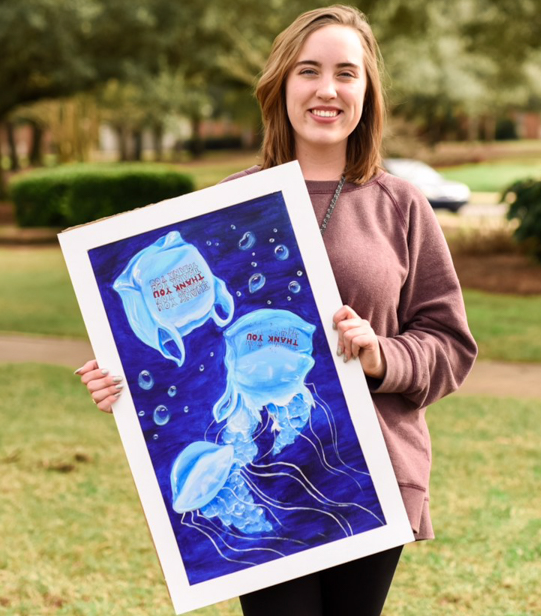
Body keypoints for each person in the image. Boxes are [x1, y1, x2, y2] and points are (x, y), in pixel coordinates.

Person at [75, 5, 477, 615]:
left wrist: (380, 357)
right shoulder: (223, 210)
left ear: (367, 93)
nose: (327, 89)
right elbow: (190, 344)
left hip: (374, 472)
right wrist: (122, 377)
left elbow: (450, 345)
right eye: (308, 71)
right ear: (280, 86)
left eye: (347, 73)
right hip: (258, 467)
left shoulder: (401, 204)